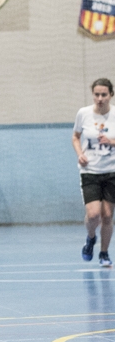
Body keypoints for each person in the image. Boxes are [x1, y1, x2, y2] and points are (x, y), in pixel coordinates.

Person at [72, 78, 115, 267]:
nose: (100, 98)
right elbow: (75, 137)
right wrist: (80, 154)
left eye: (103, 95)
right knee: (93, 215)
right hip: (90, 171)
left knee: (107, 216)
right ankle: (90, 238)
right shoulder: (84, 113)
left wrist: (112, 142)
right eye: (96, 94)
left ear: (111, 95)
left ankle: (104, 253)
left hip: (111, 171)